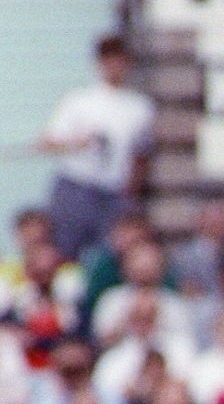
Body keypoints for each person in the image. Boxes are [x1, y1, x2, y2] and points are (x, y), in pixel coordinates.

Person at [39, 36, 155, 260]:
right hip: (76, 187)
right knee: (64, 251)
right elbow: (46, 142)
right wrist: (78, 142)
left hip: (113, 193)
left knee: (111, 255)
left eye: (119, 60)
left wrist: (131, 193)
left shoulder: (140, 107)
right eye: (108, 60)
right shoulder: (79, 101)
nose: (114, 66)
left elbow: (141, 155)